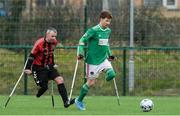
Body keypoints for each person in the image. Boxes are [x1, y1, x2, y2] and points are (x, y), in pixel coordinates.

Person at [75, 11, 116, 111]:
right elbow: (81, 40)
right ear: (101, 19)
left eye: (109, 21)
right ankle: (79, 100)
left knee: (111, 74)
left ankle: (104, 70)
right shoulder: (93, 30)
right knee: (91, 83)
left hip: (103, 59)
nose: (108, 23)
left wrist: (110, 54)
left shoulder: (108, 31)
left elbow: (106, 44)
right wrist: (80, 53)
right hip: (92, 61)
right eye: (106, 21)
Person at [24, 27, 74, 108]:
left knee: (60, 79)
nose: (54, 38)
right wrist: (27, 68)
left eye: (55, 36)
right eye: (52, 36)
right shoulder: (39, 43)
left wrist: (53, 64)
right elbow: (31, 56)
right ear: (47, 35)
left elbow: (51, 53)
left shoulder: (54, 42)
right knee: (44, 86)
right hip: (38, 68)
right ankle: (39, 93)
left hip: (49, 67)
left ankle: (66, 102)